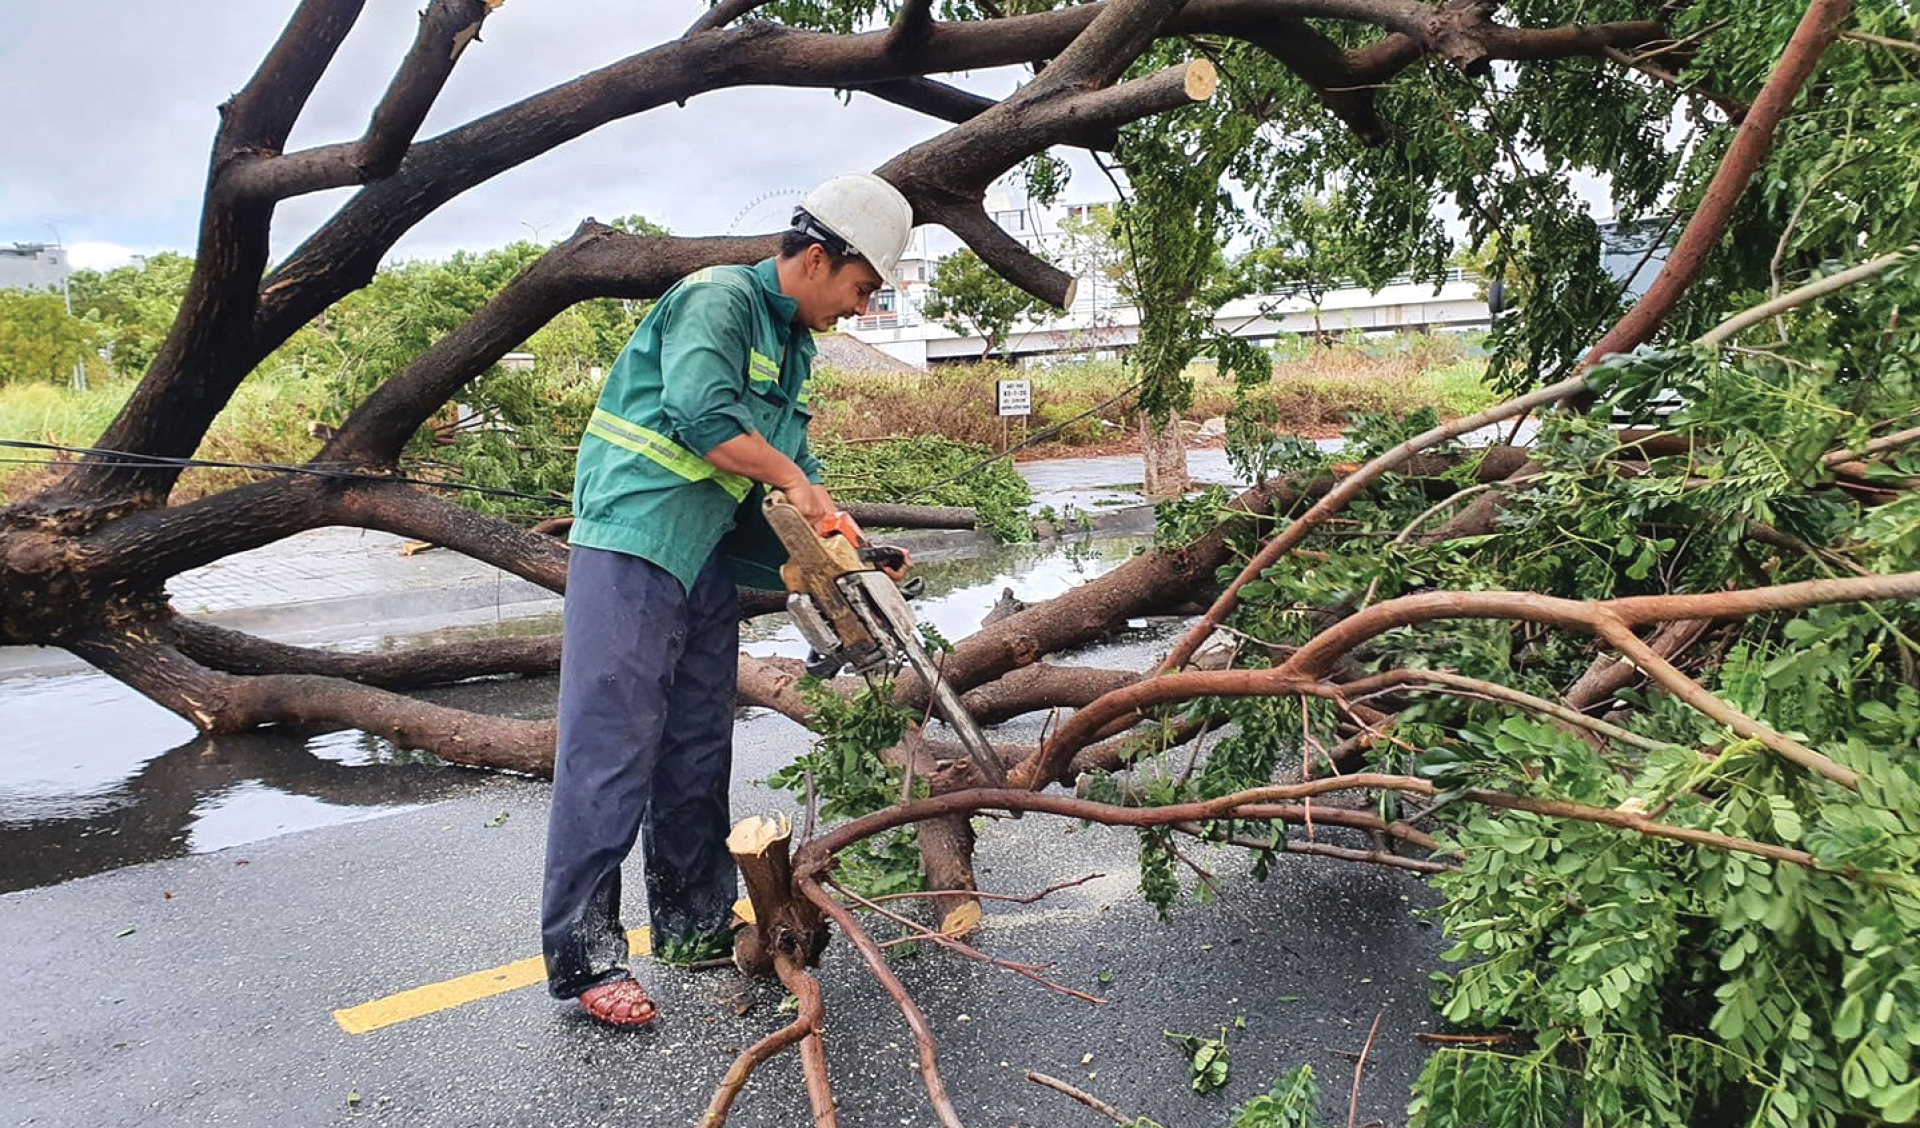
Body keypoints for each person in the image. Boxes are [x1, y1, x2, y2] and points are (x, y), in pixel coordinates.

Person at [541, 172, 914, 1027]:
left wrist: (846, 551)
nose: (860, 307)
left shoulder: (794, 348)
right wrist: (794, 479)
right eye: (861, 288)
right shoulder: (718, 300)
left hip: (703, 555)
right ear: (817, 258)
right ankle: (587, 960)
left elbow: (782, 483)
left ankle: (692, 919)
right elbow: (704, 416)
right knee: (610, 751)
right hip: (633, 544)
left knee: (698, 746)